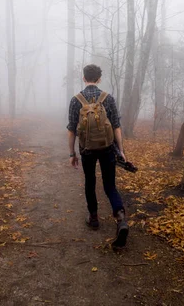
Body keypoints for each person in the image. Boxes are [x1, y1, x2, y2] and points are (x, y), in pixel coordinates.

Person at [67, 64, 129, 248]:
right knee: (110, 185)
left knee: (90, 182)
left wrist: (72, 153)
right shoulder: (108, 99)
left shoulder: (76, 100)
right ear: (99, 79)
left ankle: (93, 218)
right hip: (107, 148)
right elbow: (116, 126)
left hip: (87, 150)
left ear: (84, 78)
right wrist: (121, 150)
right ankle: (121, 219)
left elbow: (71, 130)